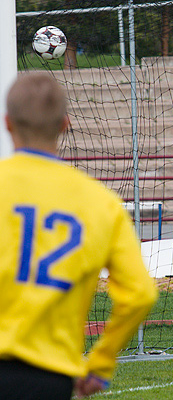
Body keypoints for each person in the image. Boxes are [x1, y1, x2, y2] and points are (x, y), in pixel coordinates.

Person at [0, 72, 158, 399]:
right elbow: (140, 293)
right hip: (49, 376)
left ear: (8, 123)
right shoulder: (102, 203)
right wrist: (100, 363)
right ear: (64, 125)